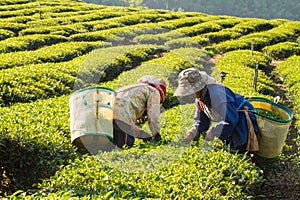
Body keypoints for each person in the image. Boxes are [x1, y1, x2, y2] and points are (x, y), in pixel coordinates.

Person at [174, 68, 259, 154]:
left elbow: (231, 120)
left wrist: (214, 131)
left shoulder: (216, 95)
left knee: (238, 149)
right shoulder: (200, 98)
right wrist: (193, 132)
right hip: (232, 118)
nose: (188, 94)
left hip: (242, 118)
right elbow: (201, 121)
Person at [113, 75, 167, 148]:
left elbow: (130, 126)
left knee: (114, 146)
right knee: (125, 146)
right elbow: (153, 117)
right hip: (122, 116)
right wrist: (156, 134)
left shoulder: (132, 88)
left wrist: (144, 135)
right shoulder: (154, 92)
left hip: (108, 113)